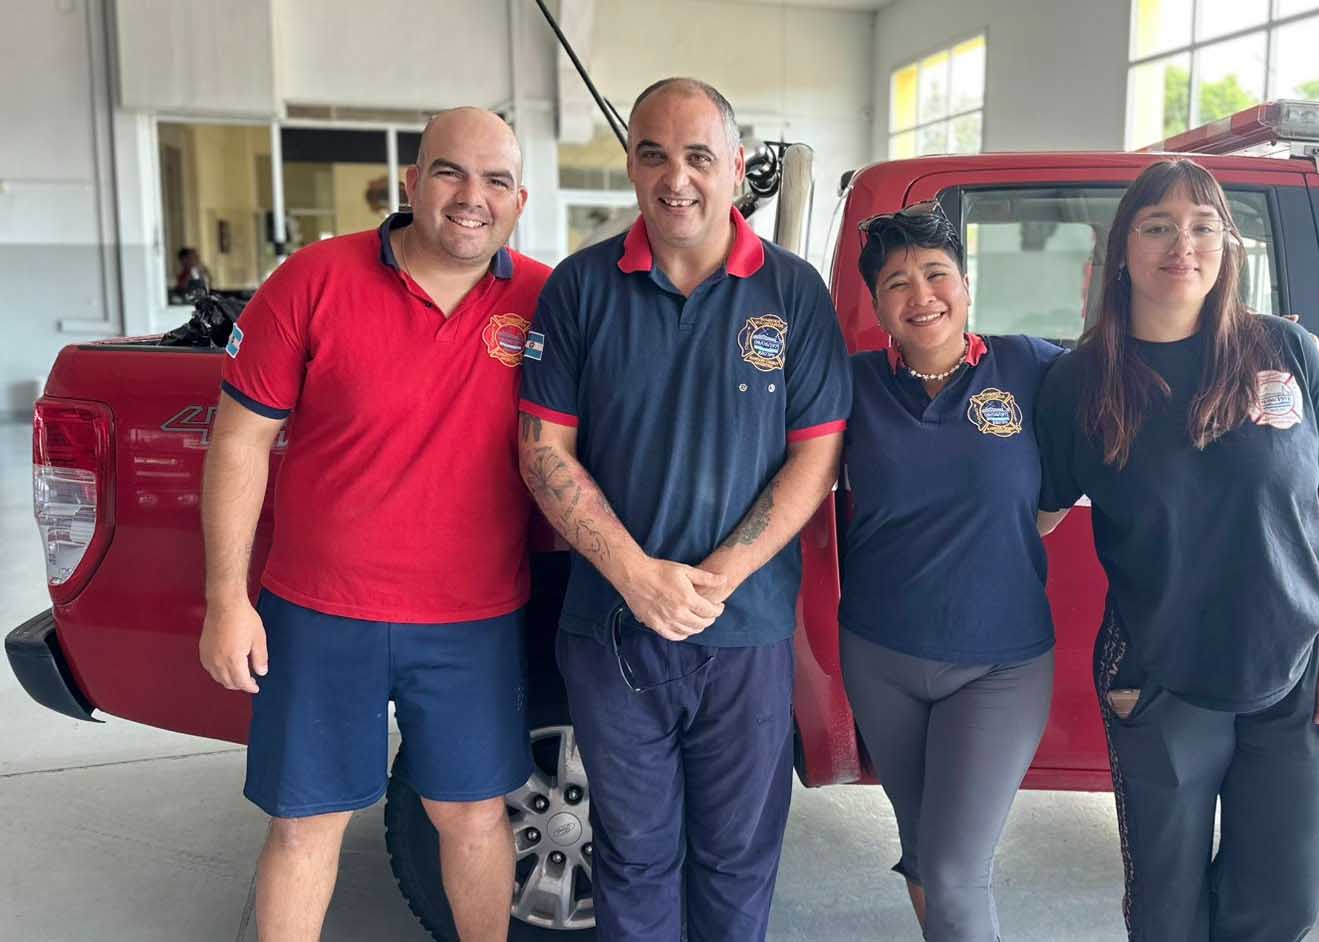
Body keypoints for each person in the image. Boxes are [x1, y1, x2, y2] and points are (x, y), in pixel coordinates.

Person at [198, 106, 550, 942]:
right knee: (305, 825)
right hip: (320, 612)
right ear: (412, 181)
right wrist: (227, 600)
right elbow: (240, 440)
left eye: (496, 180)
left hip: (473, 620)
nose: (472, 197)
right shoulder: (314, 279)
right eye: (450, 172)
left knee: (474, 817)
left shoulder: (545, 299)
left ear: (519, 200)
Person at [517, 77, 850, 941]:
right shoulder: (580, 287)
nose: (677, 178)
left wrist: (718, 578)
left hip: (746, 633)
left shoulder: (794, 293)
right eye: (654, 154)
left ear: (736, 168)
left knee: (738, 859)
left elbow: (817, 457)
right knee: (633, 858)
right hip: (611, 631)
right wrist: (636, 578)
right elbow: (542, 451)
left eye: (700, 156)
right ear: (631, 164)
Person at [1034, 158, 1319, 941]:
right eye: (1157, 226)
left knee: (1283, 904)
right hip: (1159, 676)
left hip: (1297, 671)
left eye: (1202, 227)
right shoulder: (1080, 382)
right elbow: (1037, 513)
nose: (1181, 245)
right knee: (1168, 912)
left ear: (1228, 246)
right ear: (1122, 249)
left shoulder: (1287, 352)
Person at [837, 204, 1064, 942]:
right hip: (880, 656)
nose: (921, 295)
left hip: (999, 663)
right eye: (897, 283)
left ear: (966, 285)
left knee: (955, 870)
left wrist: (1261, 342)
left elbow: (1133, 382)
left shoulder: (1030, 366)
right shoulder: (851, 385)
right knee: (923, 852)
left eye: (937, 274)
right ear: (878, 307)